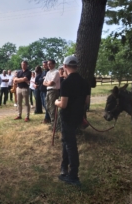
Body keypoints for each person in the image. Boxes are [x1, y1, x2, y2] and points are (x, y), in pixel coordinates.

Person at [55, 55, 90, 186]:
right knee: (66, 141)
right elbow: (87, 101)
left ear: (65, 66)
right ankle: (64, 167)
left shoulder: (66, 83)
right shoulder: (84, 82)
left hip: (68, 117)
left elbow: (63, 104)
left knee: (71, 145)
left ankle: (73, 176)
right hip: (78, 117)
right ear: (77, 66)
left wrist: (56, 102)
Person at [43, 59, 60, 129]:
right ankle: (53, 121)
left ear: (54, 64)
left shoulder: (56, 72)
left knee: (53, 107)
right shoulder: (48, 73)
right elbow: (44, 83)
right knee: (48, 107)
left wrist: (48, 83)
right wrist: (48, 83)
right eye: (48, 64)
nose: (48, 65)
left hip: (54, 91)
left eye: (50, 64)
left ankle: (54, 124)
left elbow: (52, 83)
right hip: (48, 90)